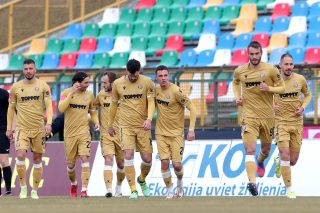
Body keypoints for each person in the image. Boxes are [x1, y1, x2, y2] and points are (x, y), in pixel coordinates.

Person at [232, 41, 285, 196]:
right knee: (249, 149)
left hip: (268, 116)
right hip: (249, 116)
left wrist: (269, 88)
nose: (254, 57)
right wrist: (237, 97)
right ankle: (252, 183)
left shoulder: (270, 69)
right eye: (251, 54)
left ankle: (261, 160)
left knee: (266, 149)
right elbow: (235, 83)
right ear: (247, 54)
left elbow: (282, 87)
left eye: (257, 54)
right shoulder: (240, 71)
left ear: (261, 53)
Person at [108, 59, 155, 199]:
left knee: (147, 159)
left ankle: (141, 179)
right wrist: (110, 124)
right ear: (127, 71)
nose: (134, 77)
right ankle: (133, 189)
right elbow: (114, 105)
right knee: (128, 155)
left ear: (139, 70)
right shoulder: (117, 84)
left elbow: (151, 101)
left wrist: (149, 119)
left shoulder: (147, 82)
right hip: (125, 126)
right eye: (131, 75)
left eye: (136, 75)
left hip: (143, 126)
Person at [6, 59, 53, 199]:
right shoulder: (16, 87)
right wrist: (10, 128)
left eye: (30, 68)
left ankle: (35, 190)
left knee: (37, 159)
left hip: (38, 128)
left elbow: (49, 106)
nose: (28, 71)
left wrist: (48, 123)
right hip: (22, 128)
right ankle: (23, 188)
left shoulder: (43, 86)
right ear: (23, 70)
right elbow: (11, 109)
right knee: (20, 155)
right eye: (26, 69)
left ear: (35, 69)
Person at [154, 65, 196, 199]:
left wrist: (191, 129)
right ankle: (169, 190)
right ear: (156, 77)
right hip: (160, 133)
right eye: (160, 76)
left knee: (177, 165)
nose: (163, 78)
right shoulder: (155, 91)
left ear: (169, 76)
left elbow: (193, 108)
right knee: (164, 162)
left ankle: (180, 183)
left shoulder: (176, 92)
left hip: (177, 134)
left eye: (165, 75)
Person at [273, 54, 311, 199]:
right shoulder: (274, 80)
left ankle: (278, 161)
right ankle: (289, 189)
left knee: (293, 160)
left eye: (291, 64)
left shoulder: (300, 79)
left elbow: (307, 95)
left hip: (296, 123)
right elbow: (263, 96)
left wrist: (303, 107)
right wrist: (272, 105)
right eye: (286, 64)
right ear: (280, 65)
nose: (289, 67)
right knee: (285, 154)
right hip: (280, 122)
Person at [58, 71, 99, 198]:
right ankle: (74, 184)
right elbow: (61, 108)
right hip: (70, 133)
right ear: (78, 82)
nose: (88, 84)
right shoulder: (66, 93)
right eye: (86, 82)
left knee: (84, 158)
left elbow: (92, 112)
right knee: (70, 165)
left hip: (84, 132)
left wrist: (96, 122)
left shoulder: (90, 95)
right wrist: (72, 93)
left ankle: (84, 190)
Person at [94, 72, 125, 198]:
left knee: (121, 164)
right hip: (106, 134)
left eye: (105, 83)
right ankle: (109, 189)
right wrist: (96, 122)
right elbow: (92, 109)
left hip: (122, 134)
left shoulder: (122, 94)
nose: (102, 85)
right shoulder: (101, 95)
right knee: (108, 159)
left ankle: (118, 186)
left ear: (112, 83)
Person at [0, 88, 12, 197]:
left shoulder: (4, 94)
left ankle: (8, 191)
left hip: (2, 130)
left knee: (4, 161)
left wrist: (12, 129)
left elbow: (12, 111)